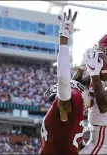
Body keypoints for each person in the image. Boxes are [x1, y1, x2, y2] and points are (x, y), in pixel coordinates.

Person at [39, 9, 91, 155]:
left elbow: (64, 80)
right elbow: (65, 82)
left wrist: (64, 37)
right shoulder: (73, 108)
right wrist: (81, 69)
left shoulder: (67, 111)